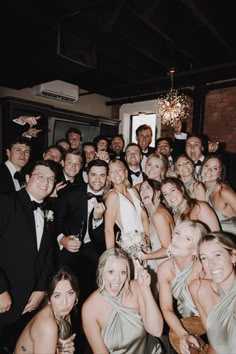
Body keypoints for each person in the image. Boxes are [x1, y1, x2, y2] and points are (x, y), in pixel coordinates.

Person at [0, 160, 57, 350]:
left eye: (50, 179)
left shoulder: (48, 211)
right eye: (40, 176)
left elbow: (47, 256)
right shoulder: (7, 202)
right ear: (27, 178)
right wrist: (1, 290)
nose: (45, 182)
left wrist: (41, 289)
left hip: (27, 302)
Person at [82, 248, 163, 354]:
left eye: (123, 272)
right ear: (101, 272)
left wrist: (145, 289)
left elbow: (156, 330)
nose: (117, 279)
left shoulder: (137, 288)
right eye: (111, 272)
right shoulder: (89, 308)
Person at [157, 220, 207, 354]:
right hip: (185, 323)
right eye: (177, 233)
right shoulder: (164, 269)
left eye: (187, 238)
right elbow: (166, 308)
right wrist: (183, 334)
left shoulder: (203, 268)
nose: (178, 239)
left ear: (196, 249)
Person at [189, 232, 236, 354]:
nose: (211, 264)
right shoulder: (199, 290)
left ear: (233, 256)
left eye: (217, 255)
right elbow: (216, 344)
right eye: (204, 258)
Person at [14, 267, 78, 354]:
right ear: (48, 298)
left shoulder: (64, 314)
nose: (65, 303)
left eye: (70, 293)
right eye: (57, 296)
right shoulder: (48, 326)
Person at [104, 160, 150, 249]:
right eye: (112, 172)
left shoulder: (133, 190)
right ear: (108, 177)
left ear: (125, 172)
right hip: (130, 246)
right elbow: (108, 229)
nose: (116, 174)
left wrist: (147, 240)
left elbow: (144, 216)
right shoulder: (112, 195)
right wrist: (111, 255)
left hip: (145, 243)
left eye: (119, 169)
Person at [201, 154, 236, 235]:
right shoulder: (201, 188)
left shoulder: (223, 191)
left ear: (220, 174)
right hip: (217, 239)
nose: (209, 170)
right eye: (206, 166)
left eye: (215, 168)